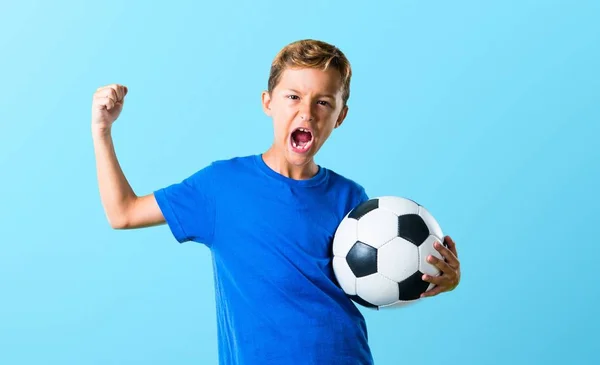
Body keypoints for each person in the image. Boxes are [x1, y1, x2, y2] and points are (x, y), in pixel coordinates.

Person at [91, 39, 461, 365]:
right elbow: (122, 212)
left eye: (323, 102)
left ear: (340, 116)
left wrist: (435, 280)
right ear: (268, 102)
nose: (307, 112)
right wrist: (102, 130)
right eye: (294, 97)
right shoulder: (220, 186)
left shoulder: (352, 199)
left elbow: (376, 283)